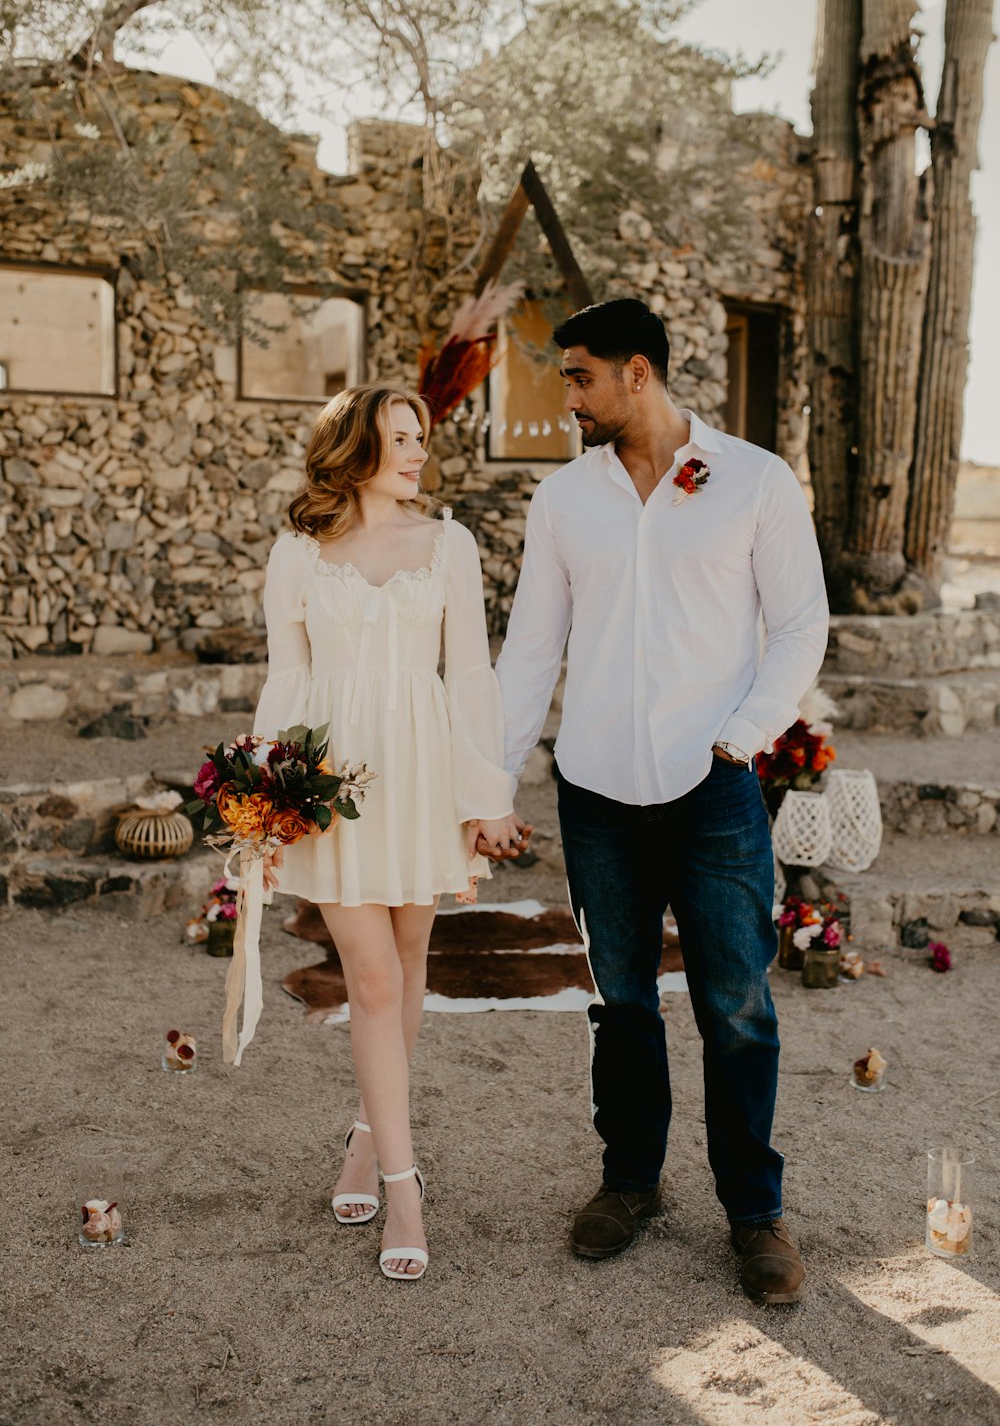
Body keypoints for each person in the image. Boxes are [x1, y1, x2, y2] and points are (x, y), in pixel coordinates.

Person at [493, 298, 829, 1304]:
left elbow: (799, 623)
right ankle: (629, 1182)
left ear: (637, 373)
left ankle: (754, 1214)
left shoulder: (752, 482)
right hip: (594, 788)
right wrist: (490, 781)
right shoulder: (563, 501)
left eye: (580, 375)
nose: (568, 396)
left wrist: (746, 732)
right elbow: (529, 650)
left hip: (713, 786)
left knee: (736, 1005)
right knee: (620, 1002)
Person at [255, 385, 529, 1281]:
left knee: (409, 964)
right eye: (400, 437)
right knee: (371, 976)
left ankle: (367, 1139)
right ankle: (406, 1189)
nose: (418, 451)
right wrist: (263, 793)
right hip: (332, 783)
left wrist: (486, 795)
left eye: (421, 437)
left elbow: (473, 674)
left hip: (420, 775)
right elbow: (287, 680)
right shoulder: (298, 551)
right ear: (355, 447)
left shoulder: (450, 544)